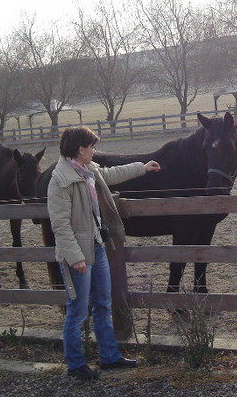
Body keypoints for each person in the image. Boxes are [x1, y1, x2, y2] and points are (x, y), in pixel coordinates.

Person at [47, 126, 160, 380]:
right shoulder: (61, 180)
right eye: (92, 147)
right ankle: (75, 364)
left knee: (102, 304)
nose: (94, 151)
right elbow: (60, 225)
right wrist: (75, 257)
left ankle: (109, 357)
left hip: (97, 247)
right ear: (80, 149)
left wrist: (143, 167)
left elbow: (111, 174)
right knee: (77, 310)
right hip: (79, 254)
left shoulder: (87, 170)